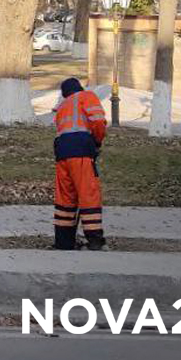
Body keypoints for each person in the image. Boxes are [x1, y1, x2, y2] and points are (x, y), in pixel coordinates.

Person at [53, 77, 108, 251]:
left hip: (62, 152)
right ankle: (95, 241)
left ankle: (64, 242)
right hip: (81, 149)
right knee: (88, 193)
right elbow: (98, 121)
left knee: (65, 197)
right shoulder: (86, 96)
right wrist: (97, 142)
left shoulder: (62, 107)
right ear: (79, 88)